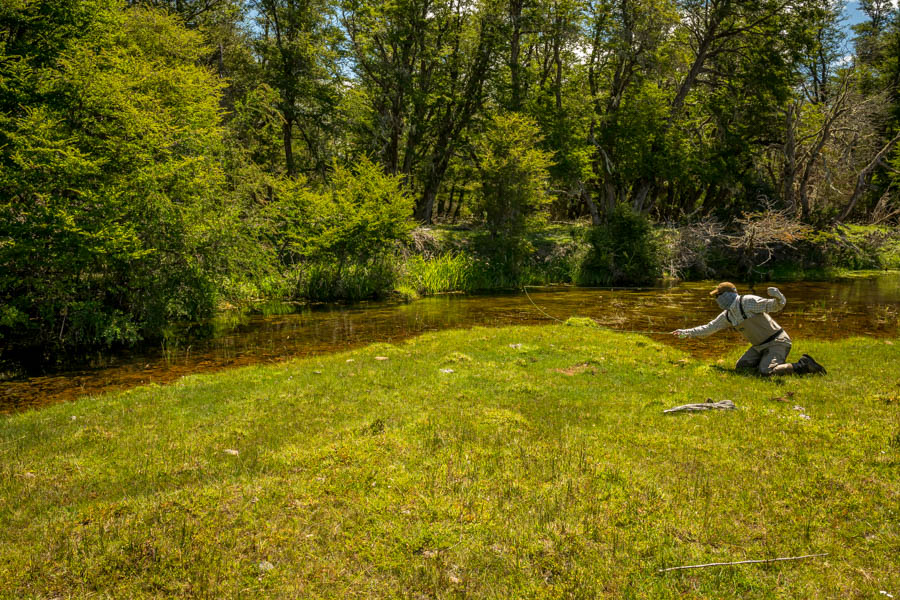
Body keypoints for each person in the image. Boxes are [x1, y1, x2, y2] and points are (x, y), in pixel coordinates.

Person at [672, 282, 826, 376]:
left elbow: (775, 306)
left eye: (718, 295)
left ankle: (804, 365)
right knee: (741, 368)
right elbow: (708, 329)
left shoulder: (748, 301)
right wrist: (684, 333)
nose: (716, 299)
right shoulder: (727, 315)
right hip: (759, 347)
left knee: (767, 372)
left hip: (777, 342)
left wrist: (778, 296)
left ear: (727, 294)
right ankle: (766, 363)